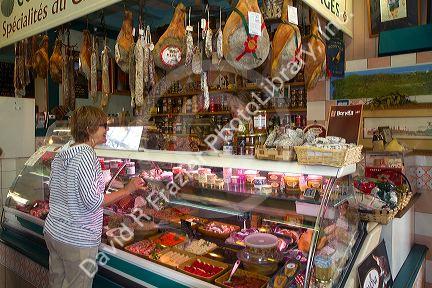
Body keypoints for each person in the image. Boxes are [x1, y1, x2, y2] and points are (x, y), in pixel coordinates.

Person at [43, 106, 145, 288]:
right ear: (89, 129)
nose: (107, 129)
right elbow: (93, 202)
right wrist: (128, 189)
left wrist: (107, 185)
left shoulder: (63, 153)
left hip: (54, 231)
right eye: (103, 125)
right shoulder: (87, 155)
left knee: (56, 284)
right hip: (77, 239)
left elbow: (62, 187)